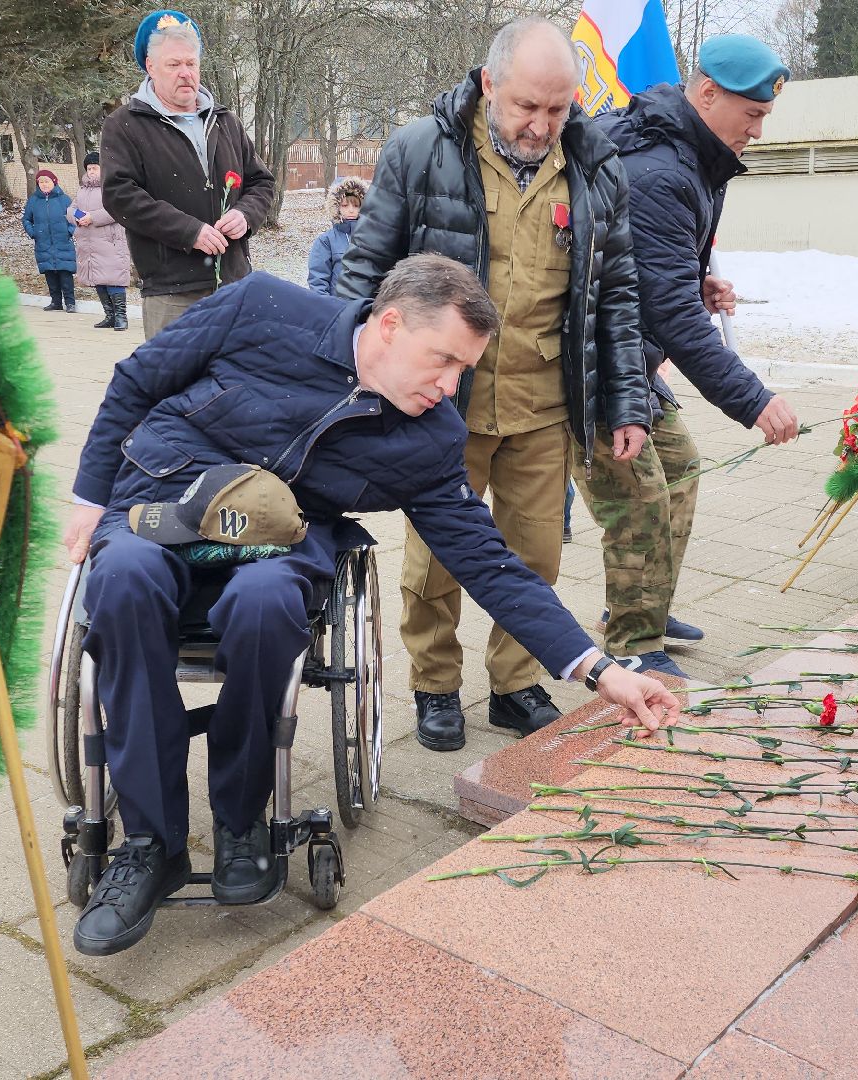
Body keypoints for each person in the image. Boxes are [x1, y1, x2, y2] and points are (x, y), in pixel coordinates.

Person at [61, 255, 677, 955]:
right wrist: (88, 500)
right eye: (443, 360)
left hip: (282, 541)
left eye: (463, 369)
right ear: (389, 324)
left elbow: (489, 563)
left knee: (269, 606)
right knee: (123, 582)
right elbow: (137, 378)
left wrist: (602, 671)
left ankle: (241, 819)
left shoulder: (431, 438)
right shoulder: (261, 308)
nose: (450, 388)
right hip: (163, 499)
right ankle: (148, 842)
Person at [337, 18, 651, 753]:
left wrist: (626, 398)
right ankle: (434, 684)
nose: (542, 125)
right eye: (526, 108)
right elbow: (364, 271)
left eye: (558, 108)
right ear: (488, 86)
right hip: (443, 400)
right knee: (437, 555)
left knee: (534, 553)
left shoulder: (598, 165)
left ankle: (516, 683)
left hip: (545, 402)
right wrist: (355, 374)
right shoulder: (421, 151)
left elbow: (618, 290)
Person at [585, 34, 801, 679]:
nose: (757, 131)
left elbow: (661, 274)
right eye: (752, 115)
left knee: (681, 470)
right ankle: (630, 645)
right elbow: (671, 315)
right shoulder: (660, 169)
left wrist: (695, 278)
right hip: (596, 362)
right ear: (707, 93)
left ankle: (644, 607)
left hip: (633, 353)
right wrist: (754, 400)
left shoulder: (698, 155)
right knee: (640, 496)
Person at [101, 11, 276, 338]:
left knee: (237, 385)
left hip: (234, 285)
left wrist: (245, 214)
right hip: (172, 293)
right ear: (150, 67)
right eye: (173, 65)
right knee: (176, 386)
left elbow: (261, 182)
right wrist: (188, 231)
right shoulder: (125, 124)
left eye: (191, 63)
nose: (185, 73)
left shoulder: (225, 121)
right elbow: (119, 194)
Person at [71, 151, 133, 330]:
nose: (91, 171)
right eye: (89, 168)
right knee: (98, 279)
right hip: (89, 241)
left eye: (95, 168)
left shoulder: (112, 186)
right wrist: (78, 217)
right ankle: (110, 316)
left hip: (110, 240)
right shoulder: (82, 190)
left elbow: (118, 208)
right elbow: (71, 209)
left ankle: (121, 316)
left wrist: (93, 217)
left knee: (114, 278)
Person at [23, 168, 78, 312]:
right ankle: (56, 302)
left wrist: (69, 232)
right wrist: (33, 232)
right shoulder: (33, 200)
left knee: (65, 273)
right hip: (43, 242)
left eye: (46, 181)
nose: (44, 184)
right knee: (50, 273)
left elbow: (74, 217)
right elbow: (27, 219)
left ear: (54, 182)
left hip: (63, 241)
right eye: (41, 182)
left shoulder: (64, 199)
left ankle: (70, 302)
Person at [306, 176, 366, 295]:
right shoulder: (326, 241)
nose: (351, 210)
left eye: (356, 206)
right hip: (338, 306)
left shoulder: (372, 238)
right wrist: (328, 308)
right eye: (345, 205)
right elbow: (318, 281)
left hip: (368, 308)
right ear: (336, 207)